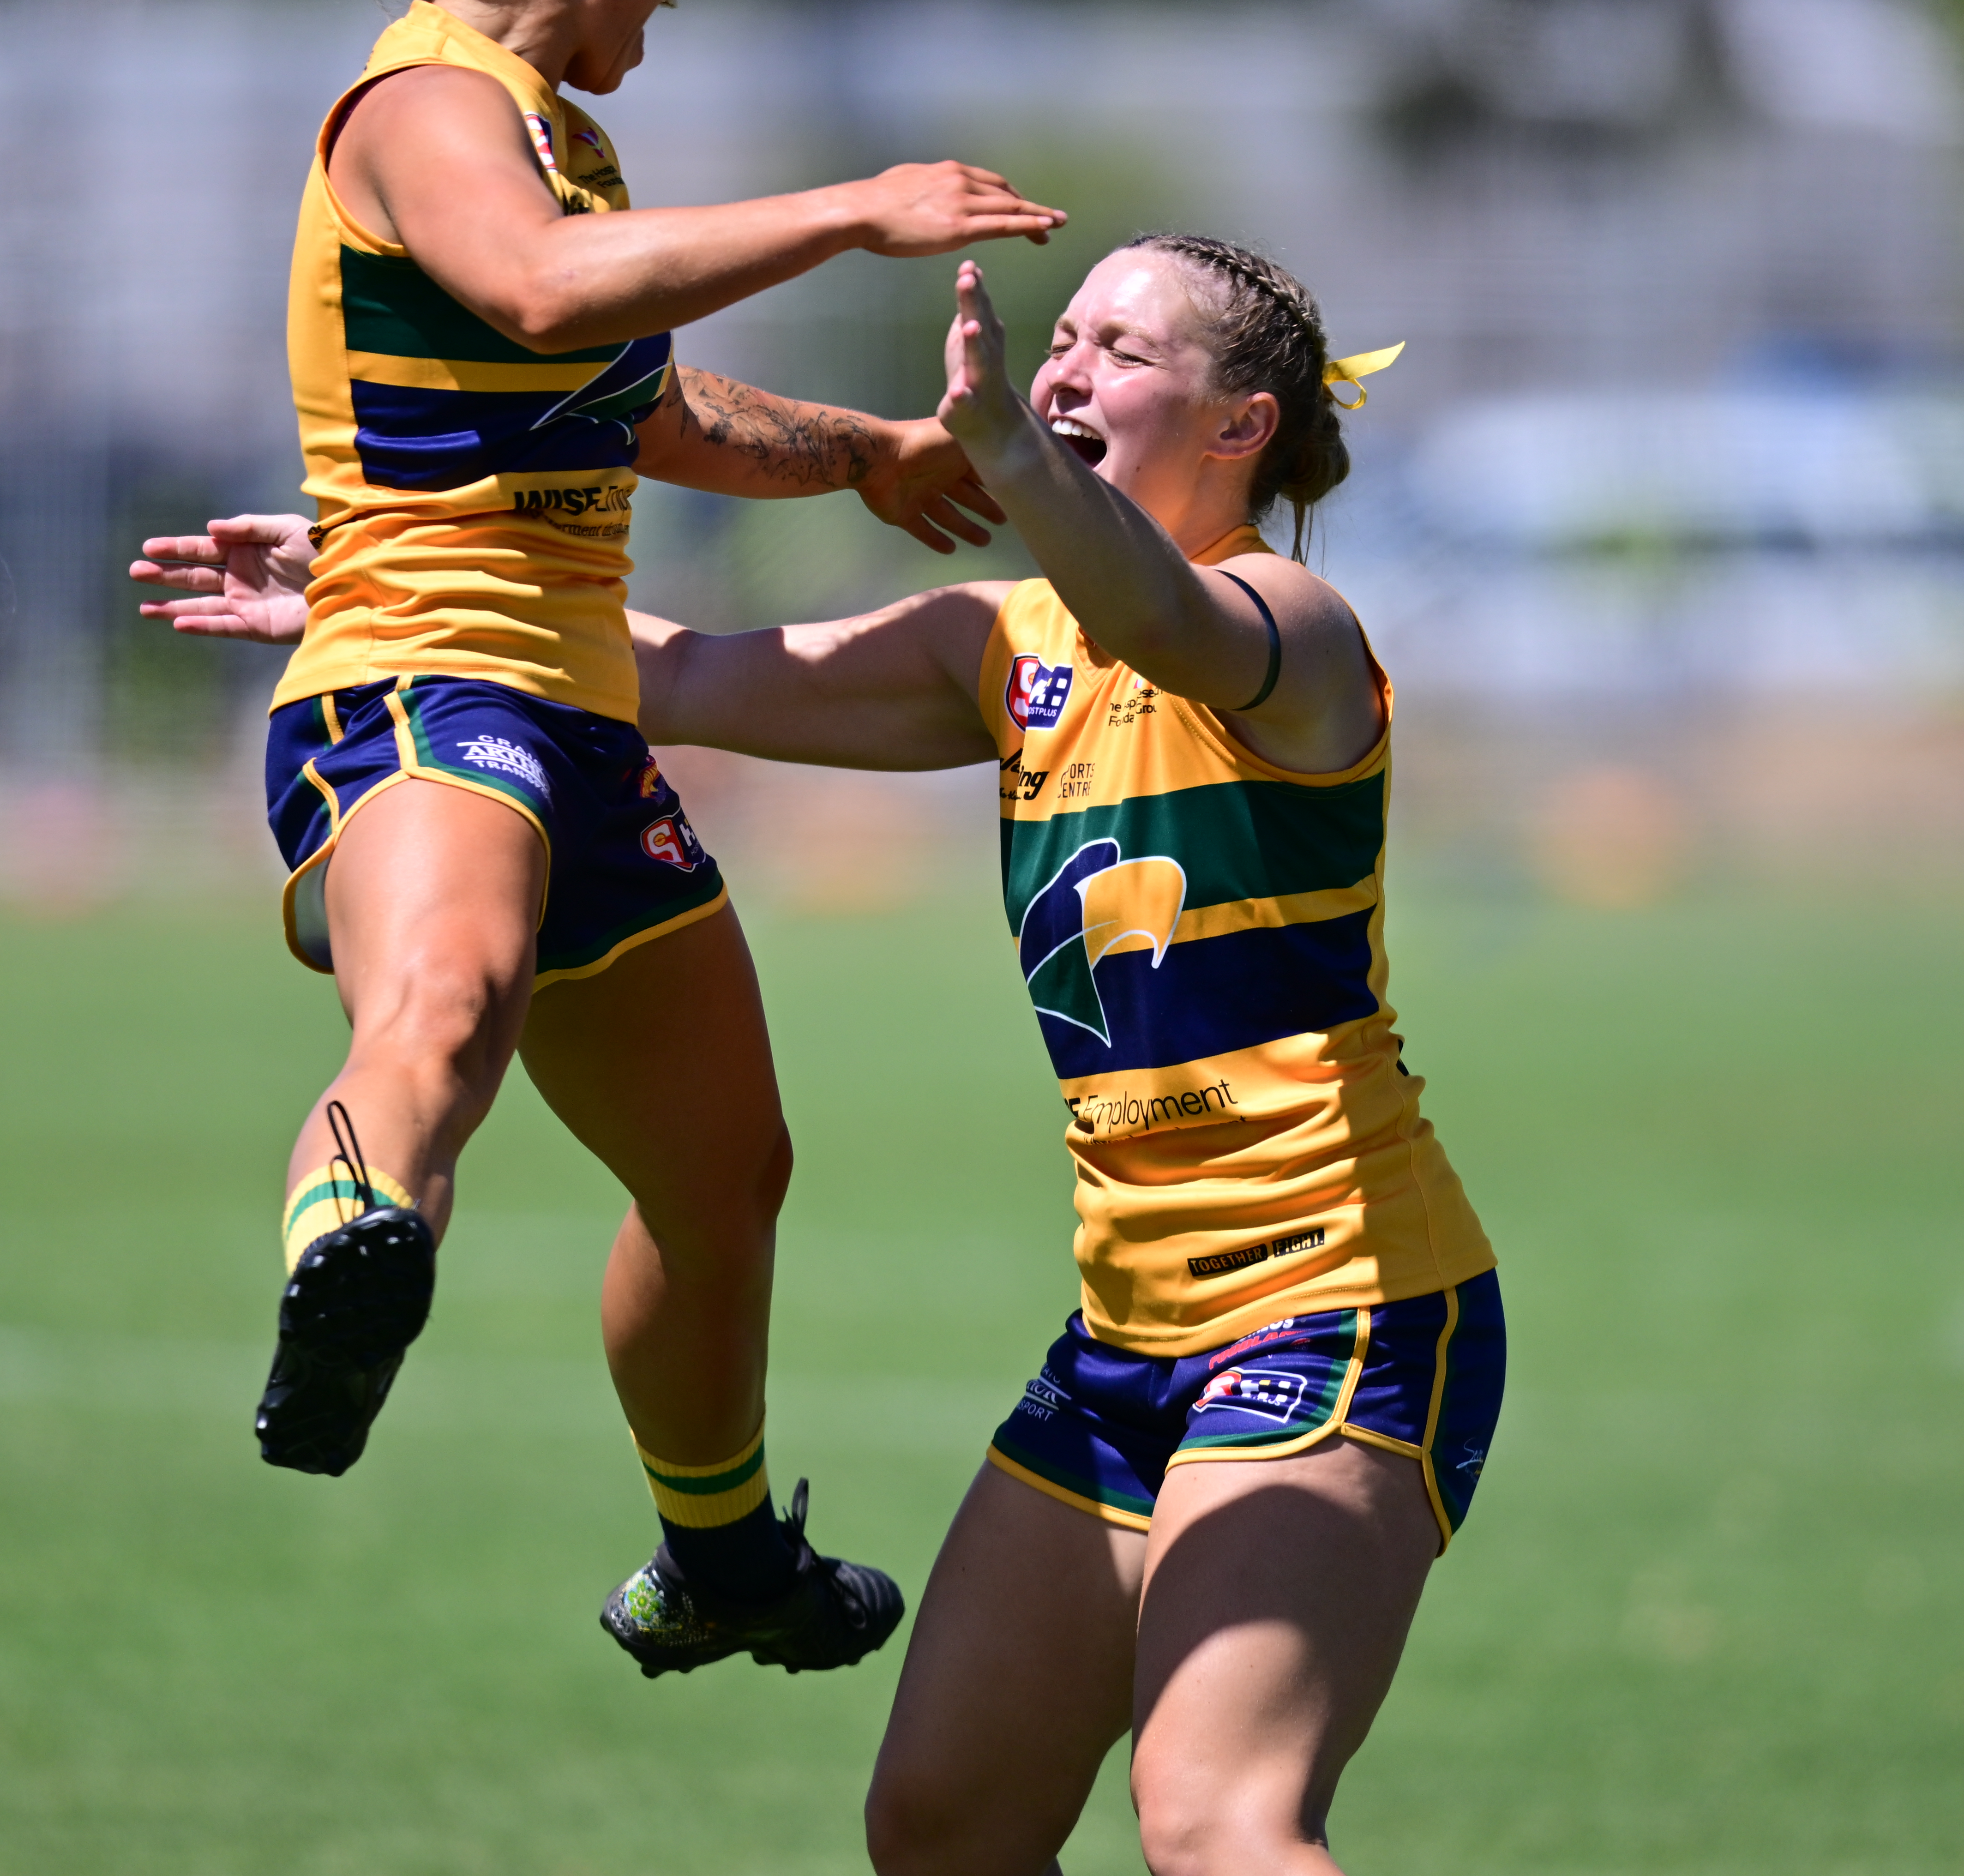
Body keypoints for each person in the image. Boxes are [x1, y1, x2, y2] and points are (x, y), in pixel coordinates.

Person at [13, 0, 1066, 1675]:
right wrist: (853, 206)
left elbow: (643, 400)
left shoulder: (564, 137)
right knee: (448, 1000)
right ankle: (353, 1237)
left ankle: (718, 1549)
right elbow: (536, 294)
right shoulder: (425, 104)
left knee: (729, 1168)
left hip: (576, 715)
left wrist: (866, 448)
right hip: (418, 689)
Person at [144, 236, 1499, 1866]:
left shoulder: (1290, 626)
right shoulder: (1010, 649)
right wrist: (387, 608)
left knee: (1219, 1823)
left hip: (1342, 1310)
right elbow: (679, 676)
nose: (1065, 369)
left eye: (1121, 352)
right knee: (940, 1829)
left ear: (1240, 427)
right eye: (1063, 338)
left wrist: (1007, 452)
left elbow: (1157, 611)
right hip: (1128, 1334)